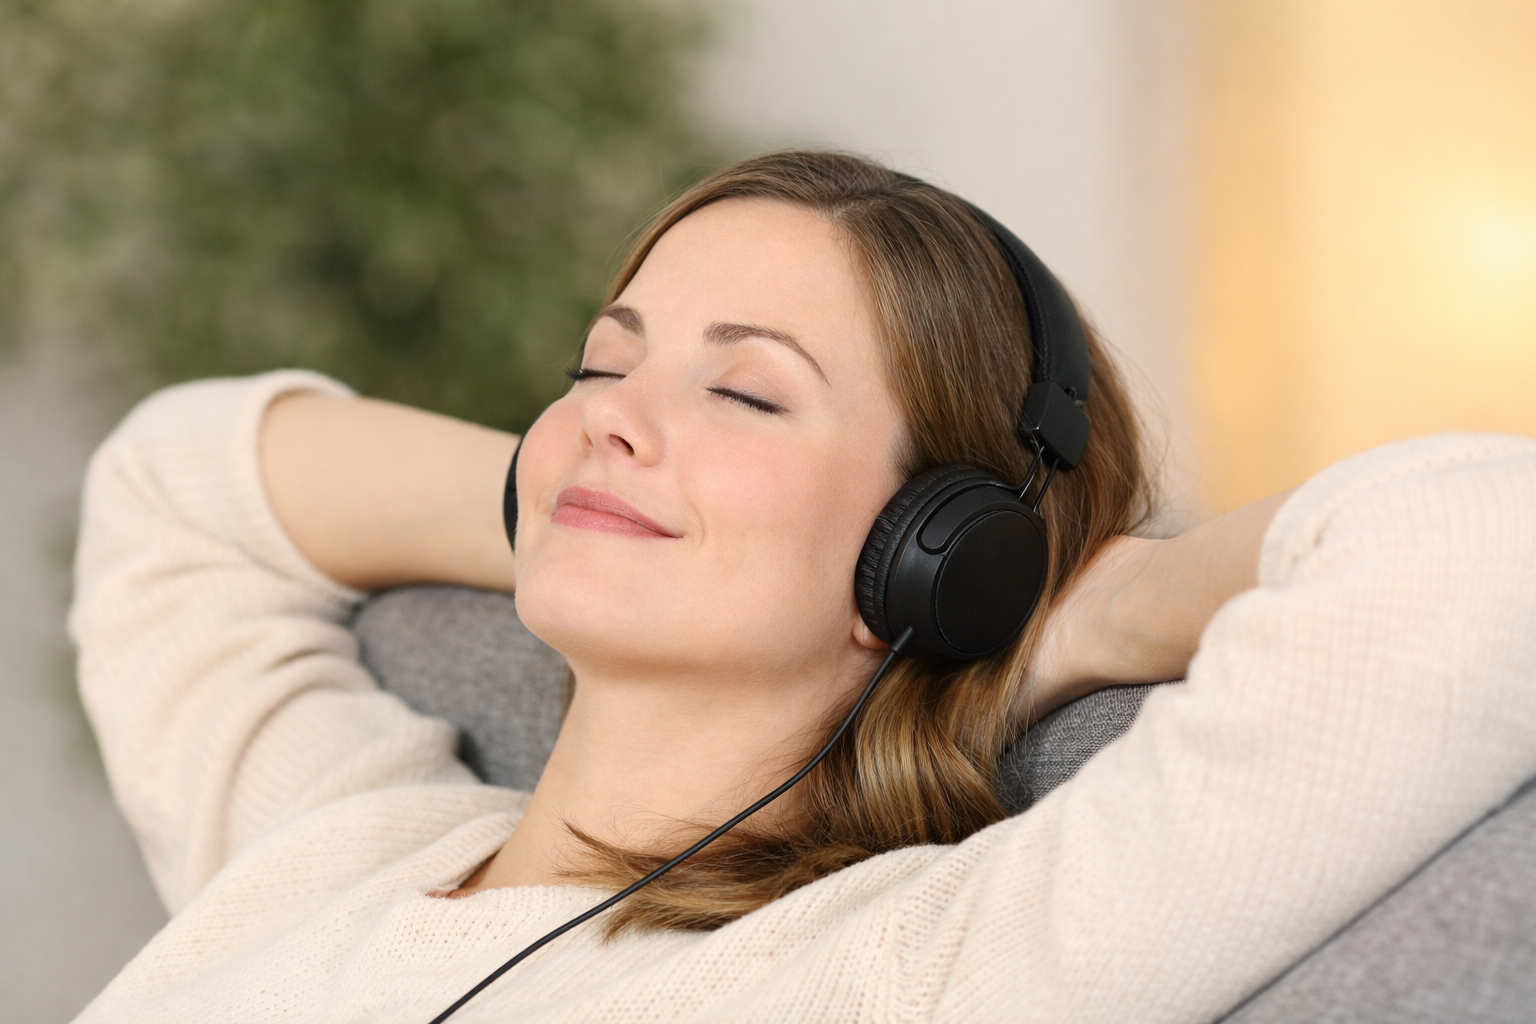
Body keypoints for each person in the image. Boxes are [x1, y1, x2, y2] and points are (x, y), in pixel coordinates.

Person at [70, 151, 1536, 1022]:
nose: (609, 414)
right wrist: (563, 494)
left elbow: (1487, 548)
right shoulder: (336, 841)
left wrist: (1078, 605)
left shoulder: (915, 969)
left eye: (748, 395)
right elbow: (176, 485)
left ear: (936, 544)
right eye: (604, 362)